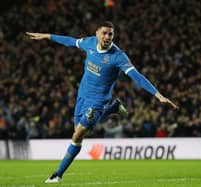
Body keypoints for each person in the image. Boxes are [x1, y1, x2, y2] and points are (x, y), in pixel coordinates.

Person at [26, 21, 178, 183]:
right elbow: (70, 41)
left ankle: (58, 174)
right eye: (104, 33)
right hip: (82, 96)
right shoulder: (89, 42)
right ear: (97, 33)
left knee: (77, 136)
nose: (107, 37)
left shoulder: (118, 56)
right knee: (77, 132)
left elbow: (136, 76)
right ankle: (114, 108)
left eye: (110, 34)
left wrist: (157, 94)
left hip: (98, 101)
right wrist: (47, 36)